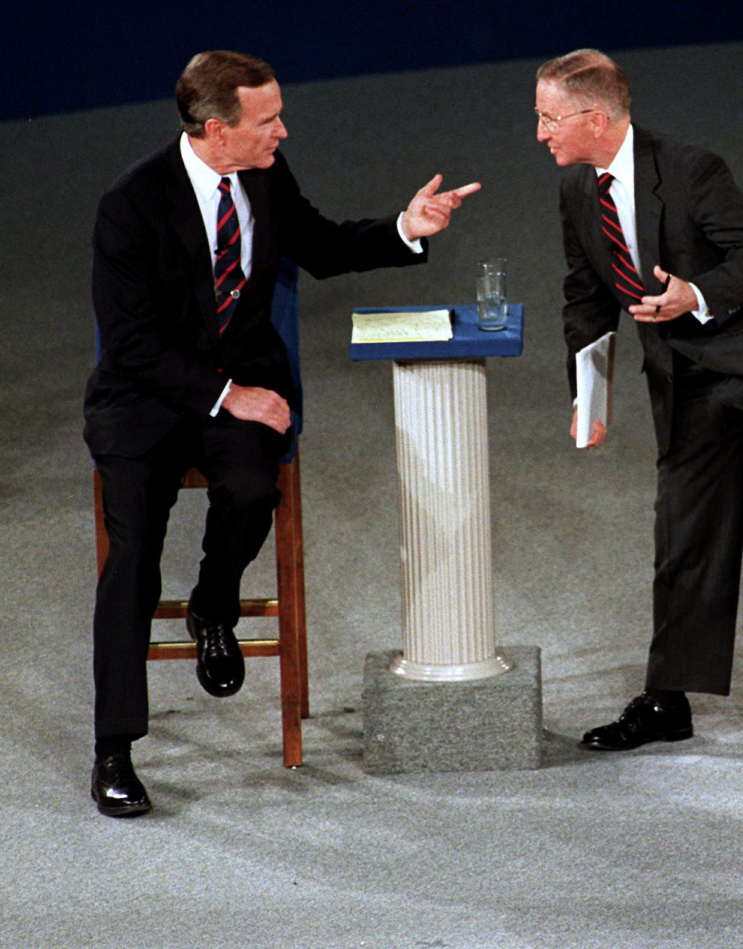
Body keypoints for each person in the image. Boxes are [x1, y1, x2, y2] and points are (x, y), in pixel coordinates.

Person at [85, 50, 478, 817]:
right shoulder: (129, 204)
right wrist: (229, 395)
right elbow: (130, 344)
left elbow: (322, 245)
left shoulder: (264, 172)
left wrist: (407, 227)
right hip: (146, 400)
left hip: (244, 384)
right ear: (213, 130)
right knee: (132, 551)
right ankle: (114, 747)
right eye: (267, 121)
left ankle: (213, 606)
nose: (283, 131)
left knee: (251, 488)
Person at [535, 49, 743, 752]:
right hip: (689, 371)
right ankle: (667, 700)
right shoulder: (577, 190)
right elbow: (586, 296)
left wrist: (694, 292)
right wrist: (587, 394)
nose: (539, 133)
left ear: (596, 119)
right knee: (682, 521)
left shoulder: (690, 169)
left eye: (547, 118)